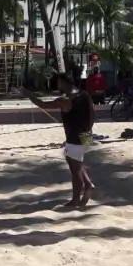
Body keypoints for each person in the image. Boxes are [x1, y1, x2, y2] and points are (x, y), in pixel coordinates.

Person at [22, 72, 95, 208]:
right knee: (75, 161)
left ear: (64, 83)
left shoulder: (65, 100)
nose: (57, 85)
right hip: (86, 135)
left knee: (75, 169)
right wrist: (89, 130)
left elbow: (43, 104)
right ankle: (88, 184)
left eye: (59, 82)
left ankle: (75, 200)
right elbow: (92, 113)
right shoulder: (84, 94)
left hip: (74, 138)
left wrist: (28, 94)